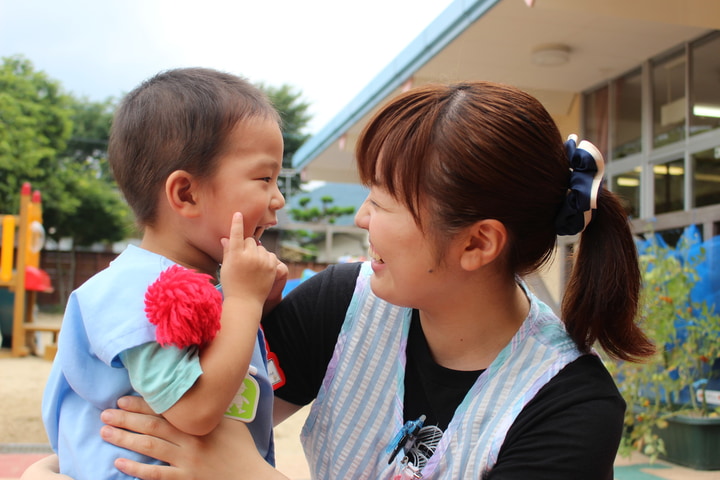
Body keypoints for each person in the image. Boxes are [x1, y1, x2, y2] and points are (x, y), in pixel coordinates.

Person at [27, 81, 654, 480]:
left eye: (382, 204)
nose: (360, 220)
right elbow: (167, 420)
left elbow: (222, 457)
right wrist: (56, 468)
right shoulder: (345, 304)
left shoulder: (569, 410)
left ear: (477, 242)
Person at [40, 67, 287, 480]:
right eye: (265, 178)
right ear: (186, 193)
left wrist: (254, 300)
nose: (278, 199)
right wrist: (244, 302)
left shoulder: (212, 284)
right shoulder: (137, 292)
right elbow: (195, 410)